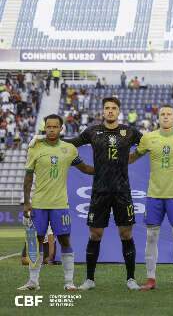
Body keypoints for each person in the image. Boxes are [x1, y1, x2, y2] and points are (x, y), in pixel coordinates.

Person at [30, 98, 144, 290]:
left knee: (126, 233)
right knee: (95, 234)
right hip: (99, 190)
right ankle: (90, 280)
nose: (110, 111)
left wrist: (135, 156)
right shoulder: (93, 131)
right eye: (107, 108)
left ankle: (131, 279)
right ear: (103, 111)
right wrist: (43, 138)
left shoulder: (129, 132)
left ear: (119, 111)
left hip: (122, 190)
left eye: (113, 108)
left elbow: (150, 143)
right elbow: (69, 143)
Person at [18, 115, 95, 291]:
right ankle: (33, 281)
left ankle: (69, 282)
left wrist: (104, 169)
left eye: (55, 126)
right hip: (38, 205)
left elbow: (85, 168)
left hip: (60, 205)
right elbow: (28, 177)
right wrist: (27, 202)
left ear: (61, 129)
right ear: (45, 128)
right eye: (48, 126)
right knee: (34, 242)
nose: (51, 129)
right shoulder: (35, 148)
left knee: (64, 240)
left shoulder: (69, 149)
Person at [128, 105, 173, 290]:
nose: (166, 117)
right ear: (158, 118)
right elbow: (133, 157)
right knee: (151, 237)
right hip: (154, 195)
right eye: (163, 114)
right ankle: (151, 279)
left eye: (169, 114)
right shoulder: (149, 138)